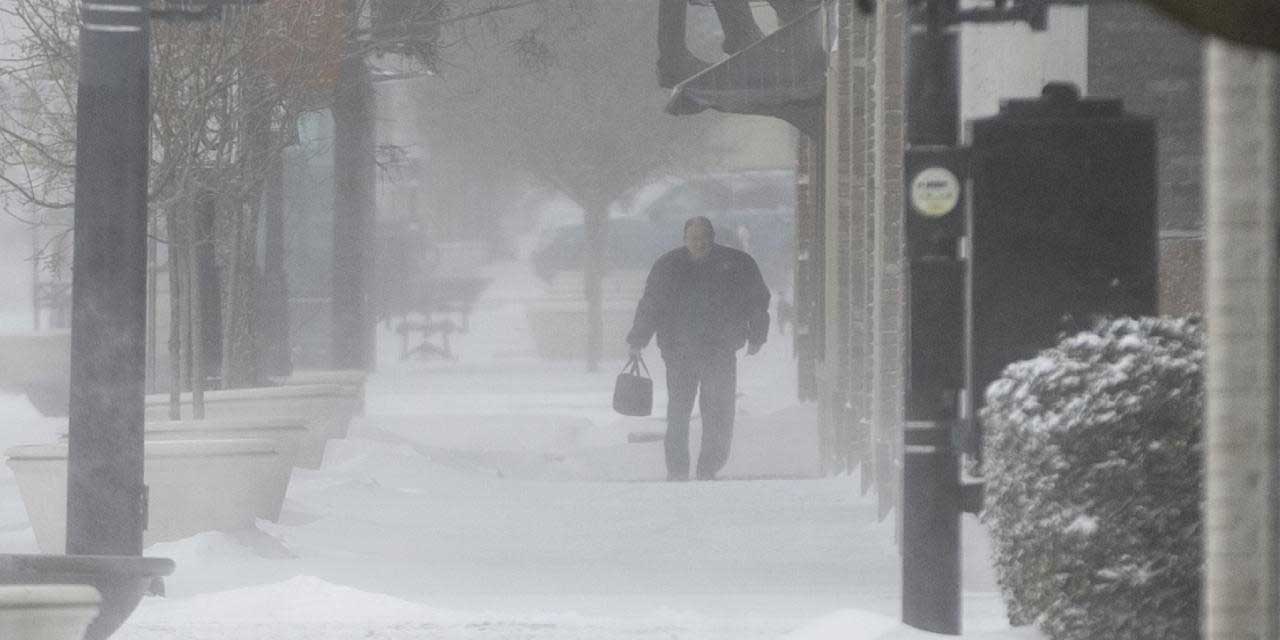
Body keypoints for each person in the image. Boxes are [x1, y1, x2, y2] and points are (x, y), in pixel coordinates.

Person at [626, 216, 771, 481]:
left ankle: (709, 466)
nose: (700, 243)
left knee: (718, 410)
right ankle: (677, 468)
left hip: (720, 349)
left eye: (704, 238)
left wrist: (757, 334)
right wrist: (638, 339)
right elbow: (651, 305)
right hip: (678, 350)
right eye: (694, 238)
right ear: (684, 239)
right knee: (678, 412)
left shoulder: (737, 265)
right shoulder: (668, 266)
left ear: (713, 238)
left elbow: (757, 300)